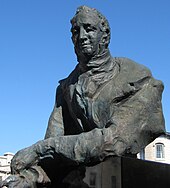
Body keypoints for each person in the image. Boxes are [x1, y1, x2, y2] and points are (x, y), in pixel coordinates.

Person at [1, 5, 165, 188]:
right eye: (75, 31)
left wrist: (40, 149)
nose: (82, 36)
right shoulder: (66, 88)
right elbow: (54, 154)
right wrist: (31, 177)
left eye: (89, 28)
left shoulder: (139, 79)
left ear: (105, 35)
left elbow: (113, 141)